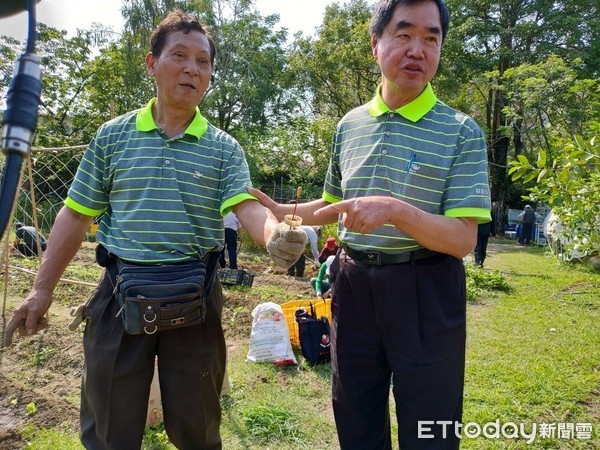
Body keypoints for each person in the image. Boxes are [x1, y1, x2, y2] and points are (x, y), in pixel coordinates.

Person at [2, 11, 306, 450]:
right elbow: (75, 215)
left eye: (203, 62)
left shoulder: (223, 148)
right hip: (119, 290)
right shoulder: (113, 137)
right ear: (151, 63)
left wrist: (275, 234)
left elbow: (245, 206)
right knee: (109, 427)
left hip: (196, 293)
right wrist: (41, 289)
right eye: (179, 56)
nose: (192, 69)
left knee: (198, 427)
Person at [250, 1, 491, 447]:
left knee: (430, 426)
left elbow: (462, 239)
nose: (417, 50)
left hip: (426, 289)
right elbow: (333, 204)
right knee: (355, 414)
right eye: (404, 34)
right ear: (376, 42)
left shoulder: (461, 131)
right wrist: (283, 212)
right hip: (353, 285)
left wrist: (395, 210)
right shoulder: (350, 125)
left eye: (431, 38)